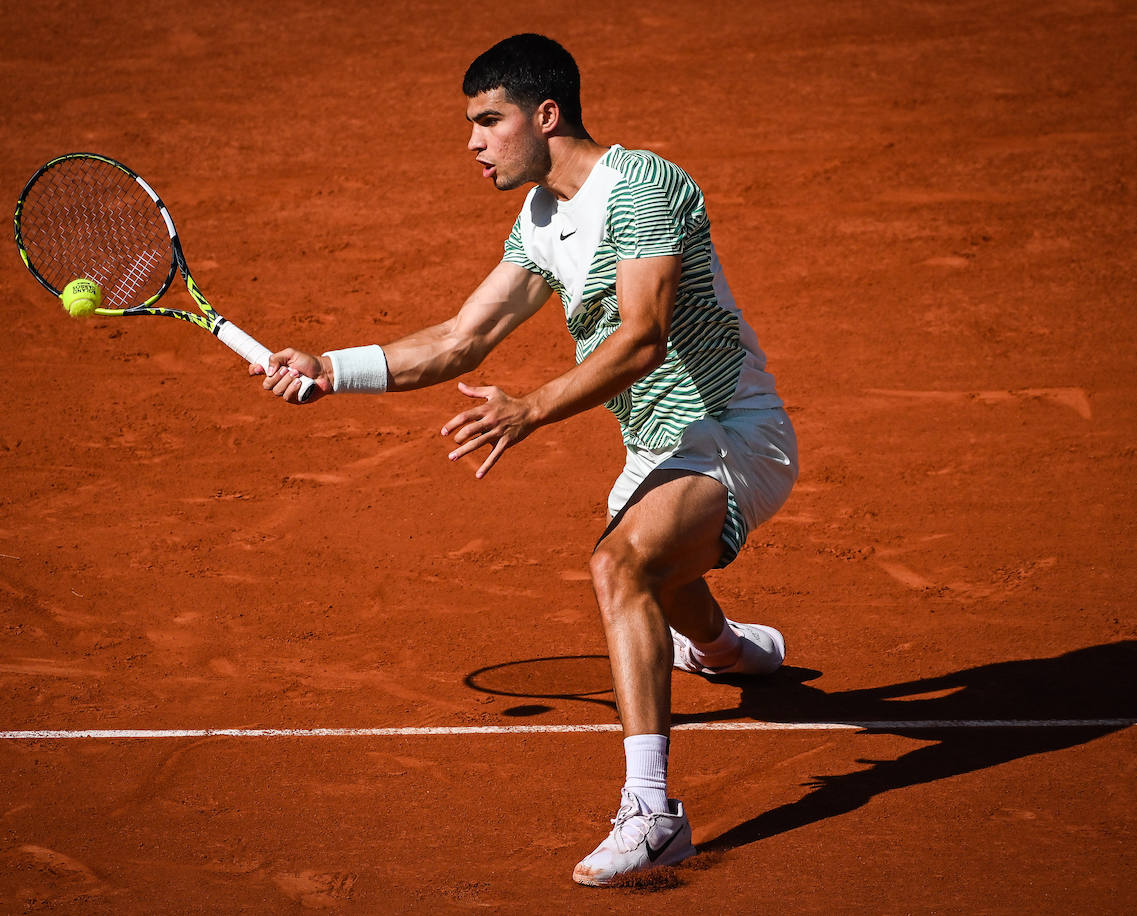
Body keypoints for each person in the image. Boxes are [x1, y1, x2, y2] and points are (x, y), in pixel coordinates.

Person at [253, 33, 798, 887]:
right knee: (656, 569)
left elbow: (644, 336)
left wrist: (532, 408)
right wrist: (331, 369)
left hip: (731, 433)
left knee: (620, 565)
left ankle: (654, 815)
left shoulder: (645, 187)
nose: (473, 141)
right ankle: (730, 651)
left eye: (488, 120)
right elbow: (461, 339)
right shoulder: (542, 219)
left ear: (546, 116)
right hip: (657, 449)